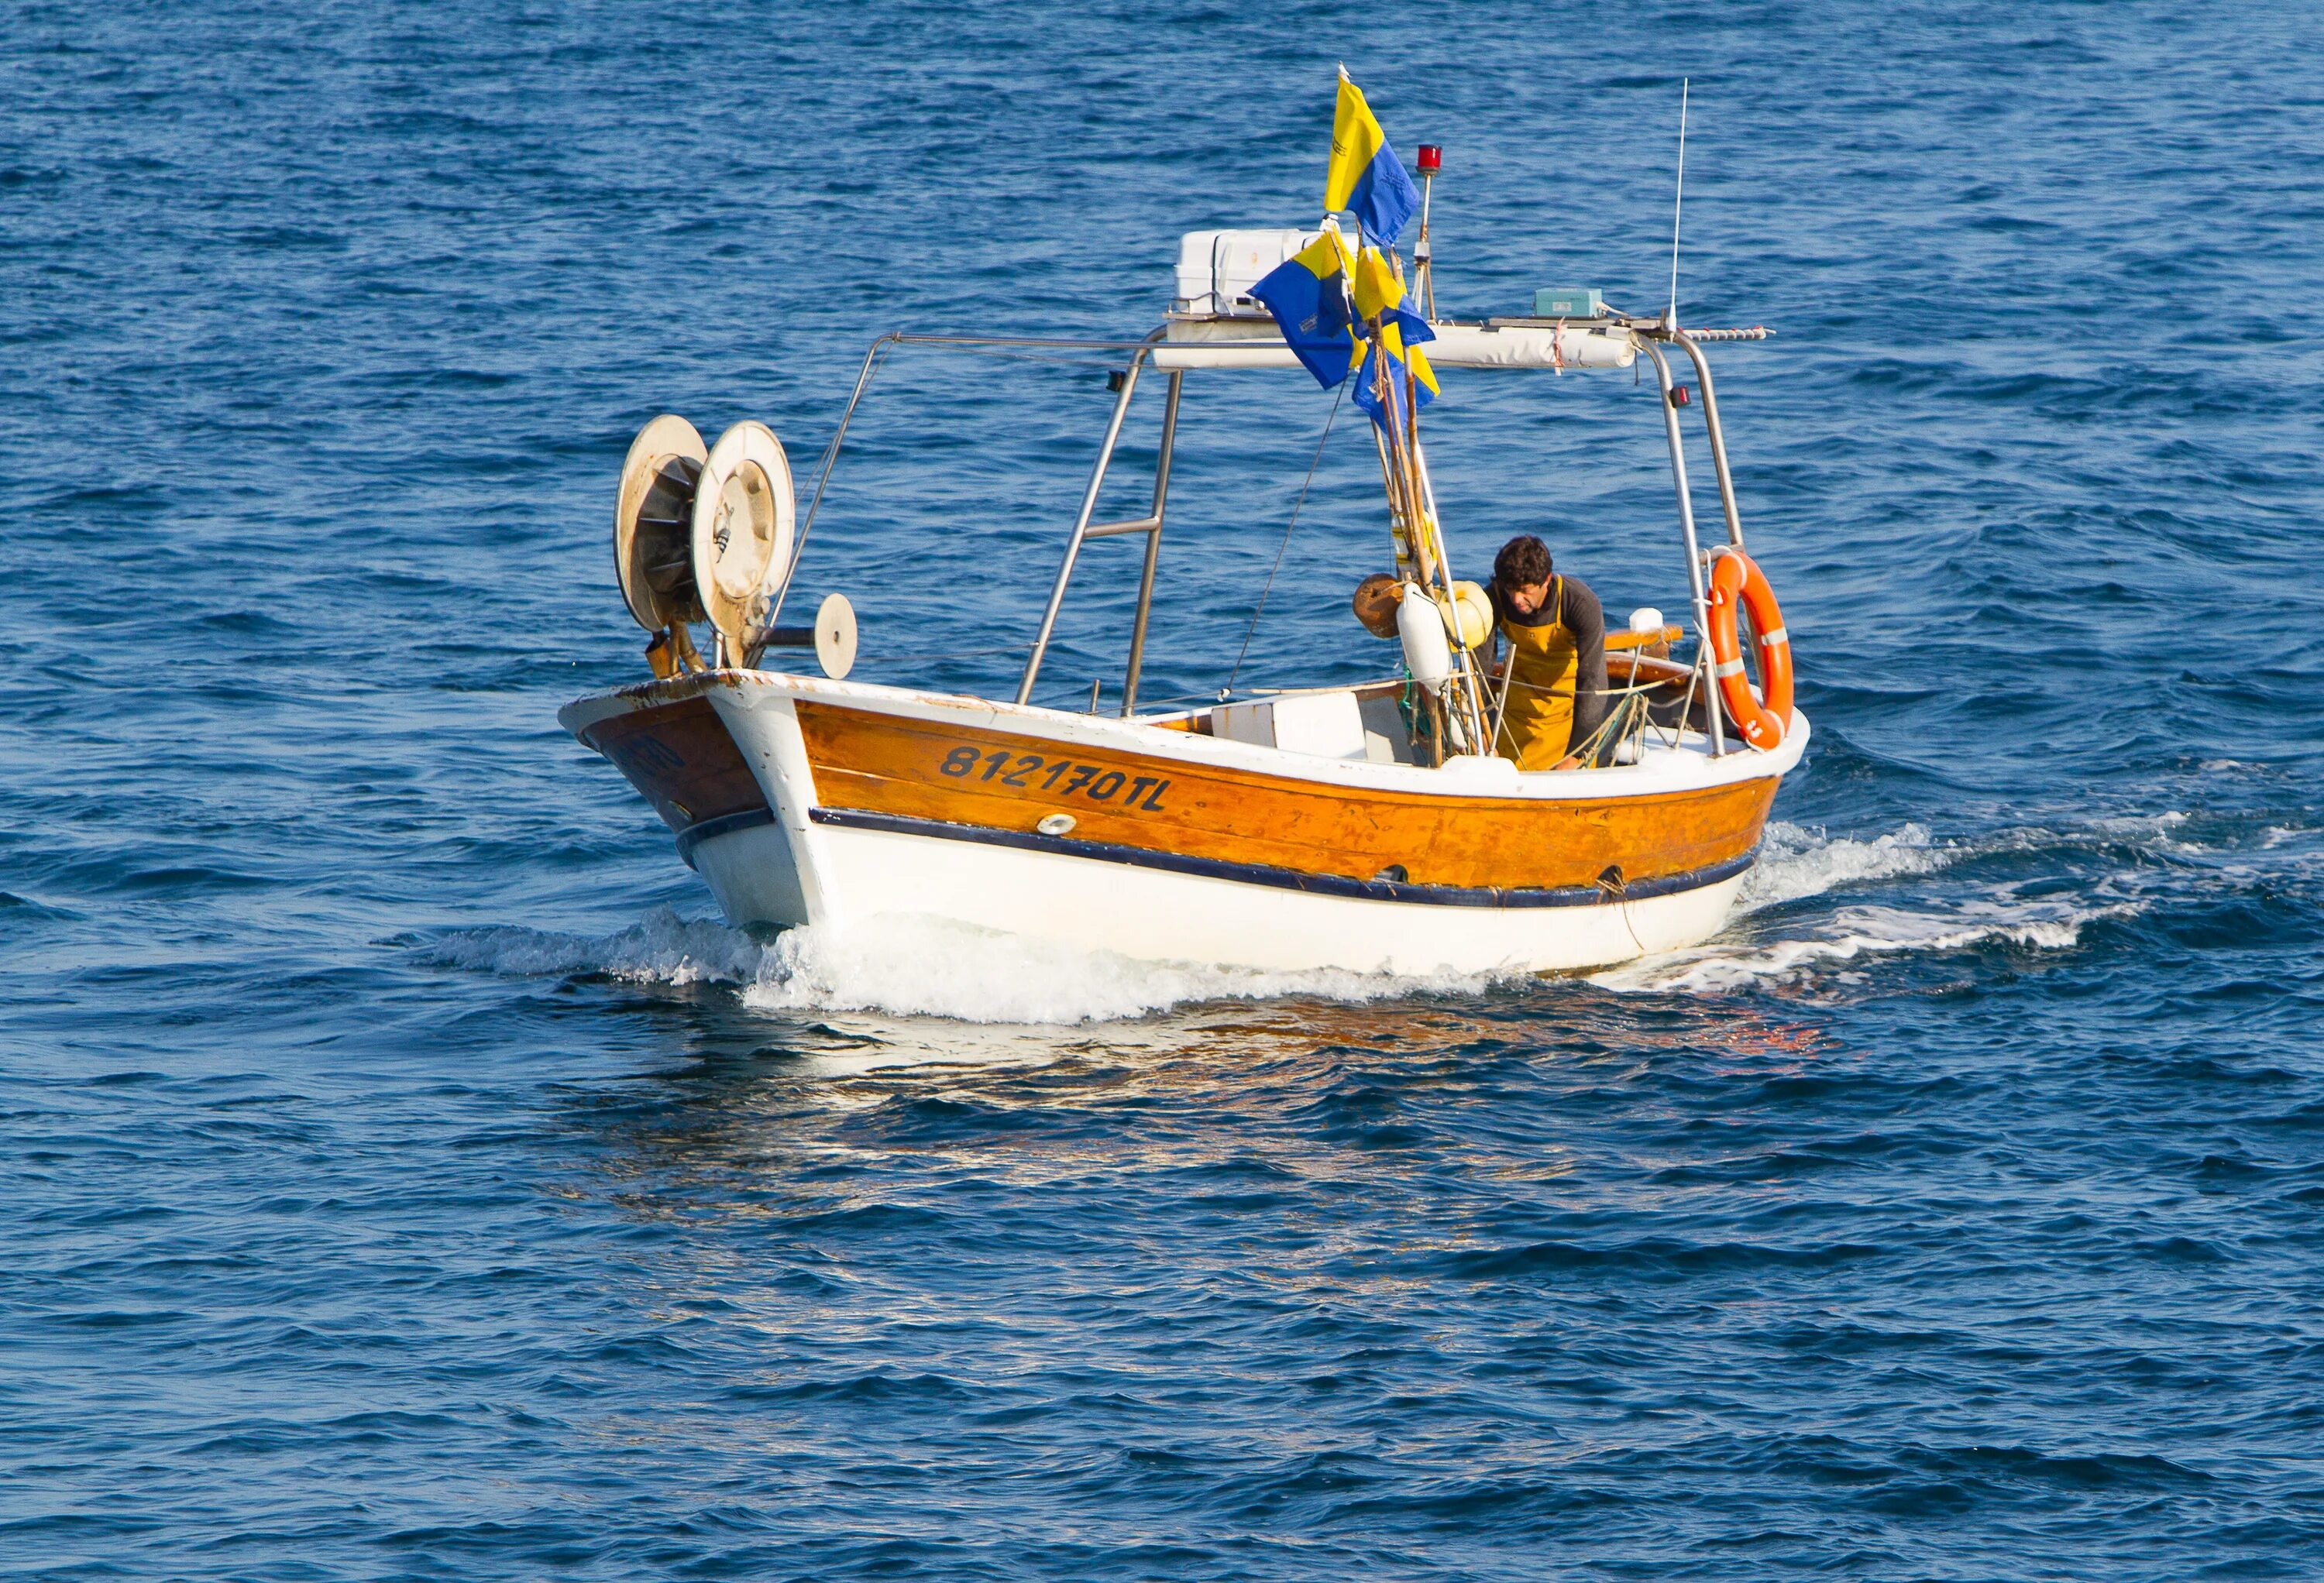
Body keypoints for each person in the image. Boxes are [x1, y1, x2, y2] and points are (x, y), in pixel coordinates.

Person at [1485, 534, 1606, 771]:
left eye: (1525, 591)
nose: (1516, 599)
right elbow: (1481, 668)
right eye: (1510, 590)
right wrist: (1480, 733)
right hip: (1517, 715)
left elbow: (1593, 680)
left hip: (1567, 717)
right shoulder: (1495, 597)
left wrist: (1579, 754)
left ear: (1546, 580)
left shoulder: (1580, 603)